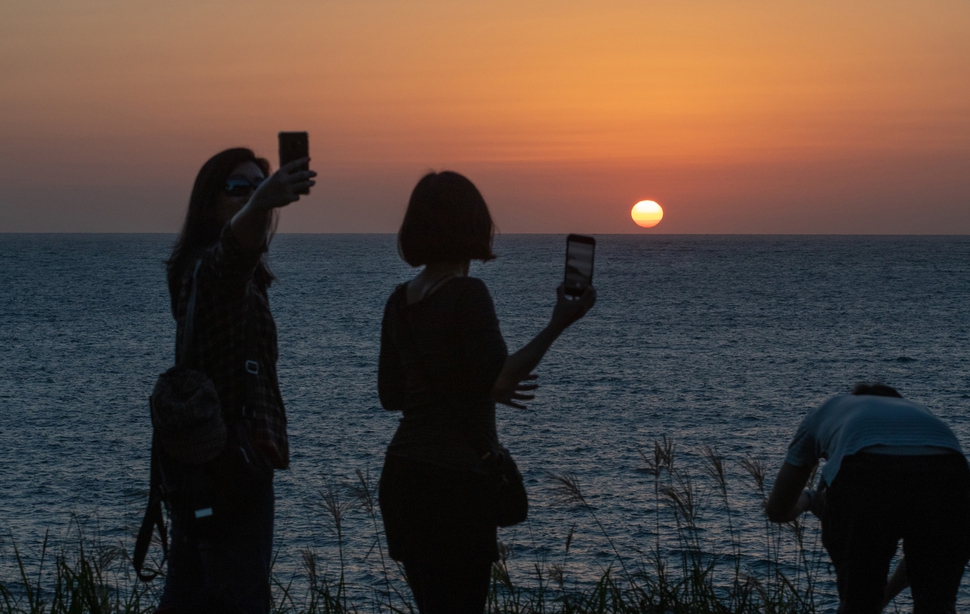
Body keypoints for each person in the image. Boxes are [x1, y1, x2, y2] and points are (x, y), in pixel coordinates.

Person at [377, 171, 596, 614]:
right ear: (474, 226)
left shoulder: (399, 299)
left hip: (403, 477)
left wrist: (469, 386)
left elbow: (391, 396)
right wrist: (559, 323)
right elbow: (500, 376)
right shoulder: (468, 292)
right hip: (454, 482)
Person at [158, 147, 316, 613]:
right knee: (241, 597)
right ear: (211, 201)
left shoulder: (215, 273)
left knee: (189, 594)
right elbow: (231, 255)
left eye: (257, 185)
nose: (250, 196)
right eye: (237, 188)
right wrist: (262, 202)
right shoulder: (208, 270)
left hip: (203, 463)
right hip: (231, 464)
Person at [765, 383, 970, 614]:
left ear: (857, 397)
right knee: (938, 604)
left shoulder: (827, 409)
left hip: (864, 469)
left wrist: (811, 500)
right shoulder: (921, 412)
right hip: (951, 471)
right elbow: (922, 552)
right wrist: (885, 597)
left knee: (858, 603)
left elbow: (777, 510)